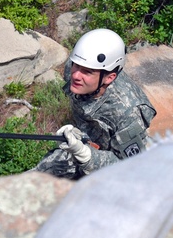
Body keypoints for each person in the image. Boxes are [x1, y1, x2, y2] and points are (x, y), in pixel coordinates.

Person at [34, 28, 156, 179]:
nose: (76, 75)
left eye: (87, 71)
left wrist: (87, 155)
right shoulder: (73, 70)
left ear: (109, 78)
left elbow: (132, 166)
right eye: (75, 65)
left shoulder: (127, 113)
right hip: (88, 143)